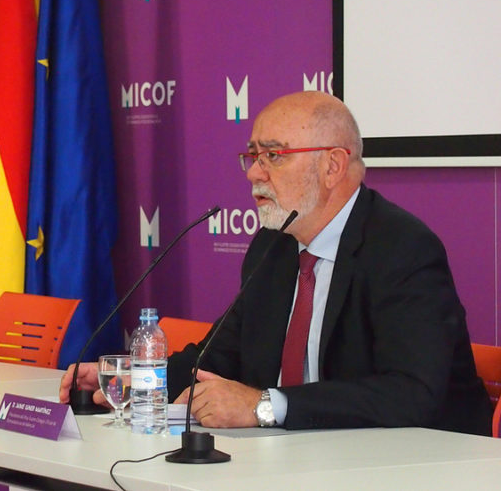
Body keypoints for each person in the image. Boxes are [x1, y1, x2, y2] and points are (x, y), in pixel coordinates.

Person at [59, 91, 493, 436]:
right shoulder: (274, 246)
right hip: (308, 460)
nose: (254, 173)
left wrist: (265, 406)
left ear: (333, 166)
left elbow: (413, 393)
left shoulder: (402, 248)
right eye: (253, 156)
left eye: (274, 156)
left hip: (419, 465)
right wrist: (130, 380)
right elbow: (217, 357)